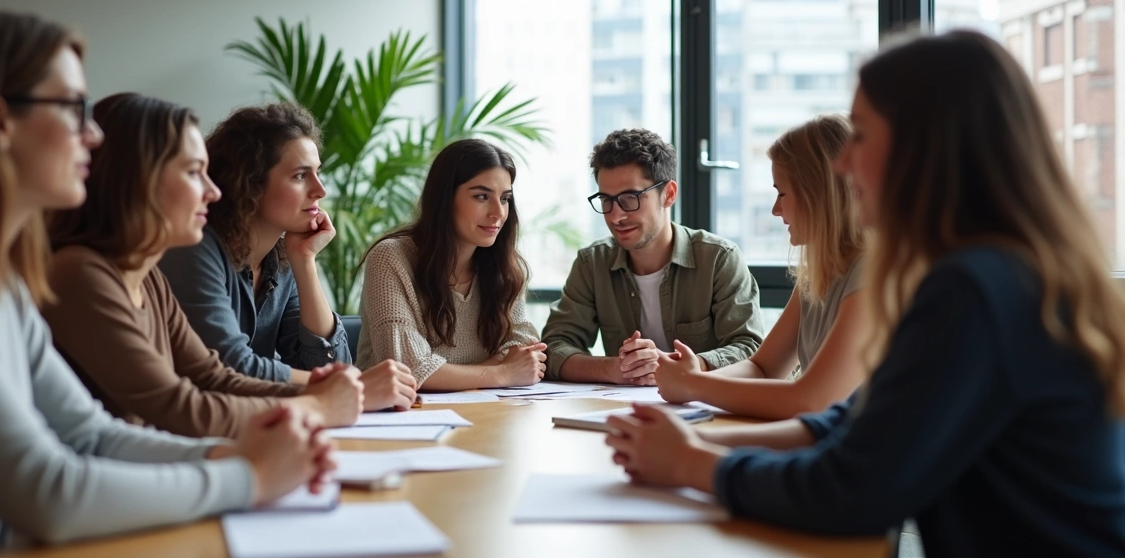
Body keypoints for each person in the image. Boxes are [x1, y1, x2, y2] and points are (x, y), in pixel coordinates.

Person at [604, 30, 1125, 556]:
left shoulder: (975, 287)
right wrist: (691, 441)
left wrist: (691, 463)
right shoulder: (987, 271)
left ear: (924, 147)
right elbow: (850, 421)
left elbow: (851, 489)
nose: (845, 164)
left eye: (861, 136)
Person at [0, 5, 333, 557]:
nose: (91, 136)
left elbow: (91, 436)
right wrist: (249, 478)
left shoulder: (1, 282)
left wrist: (233, 458)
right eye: (72, 109)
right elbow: (46, 491)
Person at [43, 92, 364, 439]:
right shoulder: (81, 273)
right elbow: (184, 403)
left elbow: (213, 376)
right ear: (141, 180)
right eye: (195, 172)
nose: (213, 191)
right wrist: (321, 404)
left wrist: (332, 393)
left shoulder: (149, 279)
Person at [158, 103, 417, 411]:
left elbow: (327, 364)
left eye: (317, 173)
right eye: (299, 176)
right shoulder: (196, 249)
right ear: (249, 184)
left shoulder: (281, 262)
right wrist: (353, 388)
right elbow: (230, 367)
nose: (320, 190)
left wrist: (305, 263)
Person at [655, 115, 867, 419]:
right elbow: (764, 367)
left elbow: (811, 400)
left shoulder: (870, 273)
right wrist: (693, 376)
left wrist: (693, 385)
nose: (775, 209)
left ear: (817, 194)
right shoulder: (820, 271)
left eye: (782, 192)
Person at [541, 128, 764, 385]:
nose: (615, 216)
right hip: (621, 410)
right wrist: (614, 369)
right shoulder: (592, 263)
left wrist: (686, 366)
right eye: (606, 200)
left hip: (705, 408)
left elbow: (751, 349)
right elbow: (555, 347)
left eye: (629, 198)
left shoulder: (719, 259)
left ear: (668, 194)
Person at [356, 139, 546, 390]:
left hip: (486, 416)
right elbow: (408, 370)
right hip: (402, 419)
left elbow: (525, 350)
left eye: (505, 198)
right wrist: (503, 374)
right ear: (444, 198)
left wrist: (452, 374)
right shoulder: (390, 258)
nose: (498, 213)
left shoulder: (505, 268)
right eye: (481, 196)